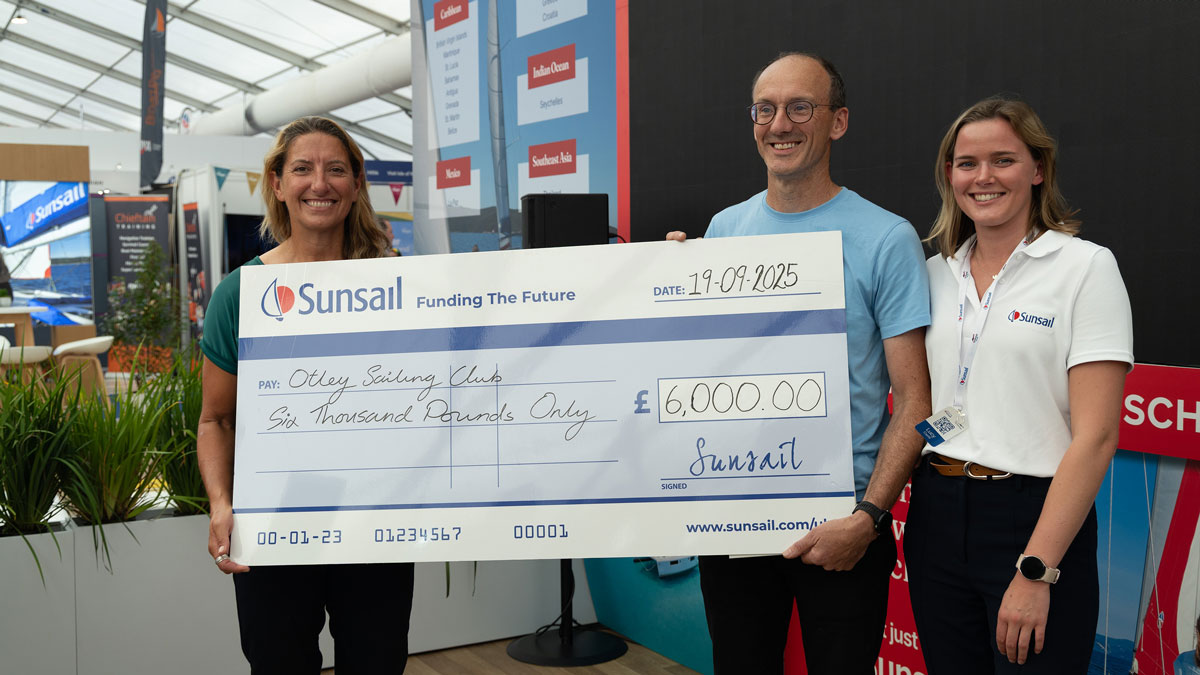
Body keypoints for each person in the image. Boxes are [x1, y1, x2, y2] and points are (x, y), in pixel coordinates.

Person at [667, 52, 932, 674]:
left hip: (841, 525)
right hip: (733, 515)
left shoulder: (886, 238)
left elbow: (915, 400)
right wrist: (662, 283)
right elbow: (702, 371)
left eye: (800, 108)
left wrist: (869, 518)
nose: (779, 124)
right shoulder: (723, 230)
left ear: (838, 122)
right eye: (765, 109)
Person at [904, 97, 1133, 674]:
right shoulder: (931, 273)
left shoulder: (1084, 267)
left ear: (1038, 169)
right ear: (949, 175)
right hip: (935, 512)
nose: (983, 177)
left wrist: (1037, 569)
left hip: (1034, 518)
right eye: (967, 163)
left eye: (1002, 160)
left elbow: (1097, 437)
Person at [197, 116, 413, 674]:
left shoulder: (400, 287)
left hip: (374, 519)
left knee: (378, 663)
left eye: (336, 169)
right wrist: (221, 503)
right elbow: (216, 421)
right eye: (302, 169)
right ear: (277, 183)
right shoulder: (240, 293)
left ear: (356, 184)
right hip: (273, 521)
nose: (320, 183)